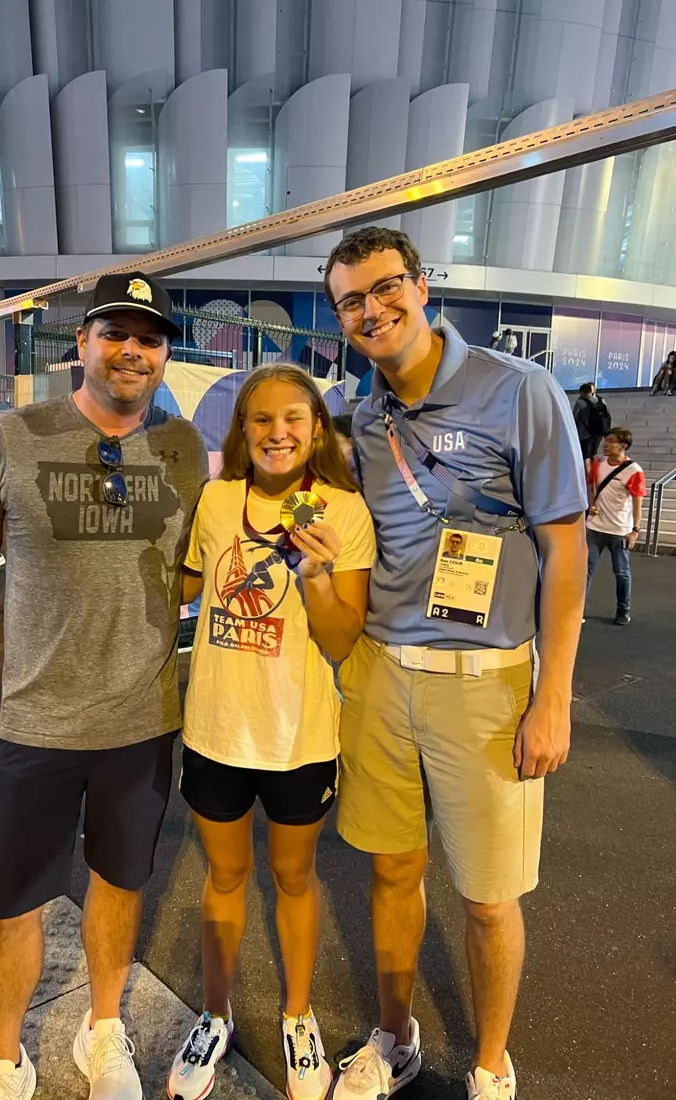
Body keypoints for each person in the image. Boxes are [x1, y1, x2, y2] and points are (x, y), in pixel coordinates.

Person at [324, 227, 587, 1100]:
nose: (372, 310)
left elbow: (565, 551)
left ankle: (489, 1064)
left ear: (420, 285)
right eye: (351, 301)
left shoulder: (518, 389)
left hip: (487, 683)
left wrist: (553, 696)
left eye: (384, 287)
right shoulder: (361, 419)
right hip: (379, 673)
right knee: (392, 870)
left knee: (487, 896)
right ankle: (394, 1037)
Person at [0, 272, 209, 1100]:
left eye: (149, 338)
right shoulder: (8, 439)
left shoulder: (184, 450)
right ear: (81, 344)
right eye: (115, 333)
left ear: (164, 356)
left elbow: (192, 570)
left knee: (120, 886)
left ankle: (102, 1029)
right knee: (8, 905)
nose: (132, 350)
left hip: (141, 719)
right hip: (36, 721)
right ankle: (2, 1060)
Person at [166, 365, 376, 1100]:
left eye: (293, 418)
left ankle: (297, 1016)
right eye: (262, 418)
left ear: (315, 430)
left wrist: (316, 574)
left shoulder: (343, 510)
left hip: (299, 737)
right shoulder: (217, 498)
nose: (277, 432)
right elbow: (186, 584)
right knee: (224, 878)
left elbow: (341, 640)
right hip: (217, 729)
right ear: (242, 429)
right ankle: (215, 1015)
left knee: (293, 878)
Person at [585, 428, 645, 626]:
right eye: (606, 440)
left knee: (621, 572)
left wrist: (635, 530)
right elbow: (591, 486)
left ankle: (623, 610)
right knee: (585, 570)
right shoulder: (598, 463)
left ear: (623, 445)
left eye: (611, 441)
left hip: (619, 531)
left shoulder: (634, 471)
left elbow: (637, 503)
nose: (606, 444)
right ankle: (576, 609)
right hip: (594, 528)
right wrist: (591, 503)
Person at [572, 382, 611, 476]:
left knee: (586, 457)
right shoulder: (601, 400)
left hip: (584, 434)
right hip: (598, 433)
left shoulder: (581, 402)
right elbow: (607, 414)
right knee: (593, 454)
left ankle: (588, 477)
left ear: (582, 392)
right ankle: (595, 474)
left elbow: (574, 417)